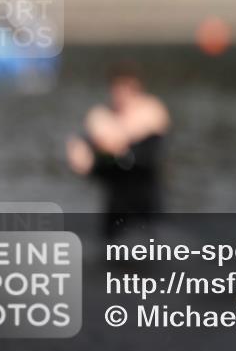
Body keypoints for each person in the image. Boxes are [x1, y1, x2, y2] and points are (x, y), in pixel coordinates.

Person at [66, 60, 169, 239]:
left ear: (138, 89)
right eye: (118, 89)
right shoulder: (101, 115)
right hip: (115, 207)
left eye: (128, 89)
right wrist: (85, 153)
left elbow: (145, 149)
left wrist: (114, 142)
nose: (123, 95)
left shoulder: (151, 111)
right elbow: (85, 155)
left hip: (147, 205)